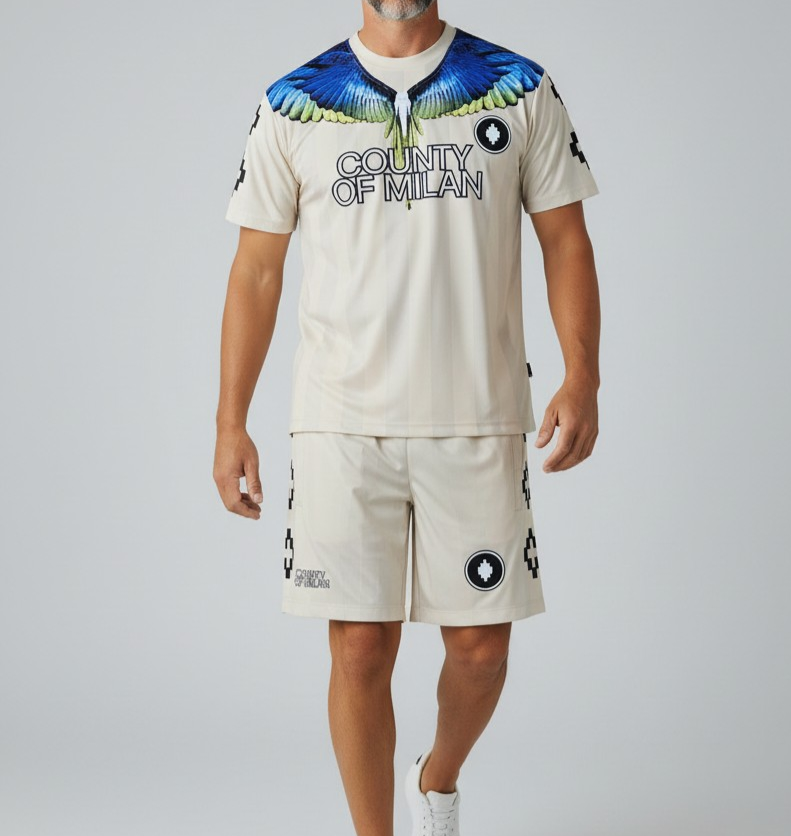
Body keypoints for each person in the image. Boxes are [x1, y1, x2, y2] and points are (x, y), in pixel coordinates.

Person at [214, 1, 601, 833]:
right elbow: (255, 271)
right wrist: (229, 422)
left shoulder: (519, 86)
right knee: (360, 650)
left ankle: (437, 777)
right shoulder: (292, 101)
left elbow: (565, 239)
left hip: (478, 416)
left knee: (481, 651)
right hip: (341, 421)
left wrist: (583, 377)